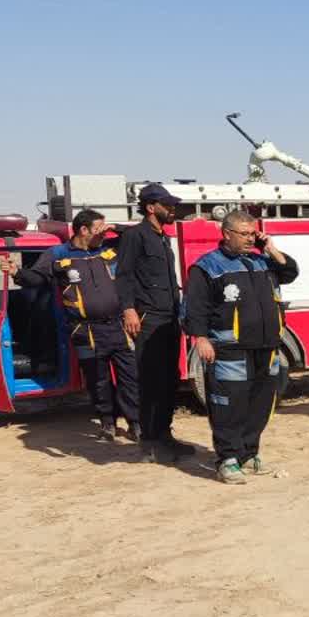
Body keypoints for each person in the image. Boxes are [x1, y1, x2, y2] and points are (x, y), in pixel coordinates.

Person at [183, 210, 301, 482]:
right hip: (229, 350)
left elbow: (290, 271)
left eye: (253, 233)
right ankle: (228, 459)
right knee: (229, 406)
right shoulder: (208, 267)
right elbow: (195, 307)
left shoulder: (262, 262)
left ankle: (249, 454)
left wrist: (270, 248)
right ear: (227, 234)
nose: (250, 239)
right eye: (244, 234)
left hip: (266, 348)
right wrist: (200, 338)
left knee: (259, 405)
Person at [9, 208, 139, 439]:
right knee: (98, 380)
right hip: (86, 331)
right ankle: (107, 422)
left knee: (130, 377)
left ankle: (136, 423)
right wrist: (17, 273)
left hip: (118, 327)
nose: (103, 233)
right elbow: (37, 278)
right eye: (99, 228)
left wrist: (113, 228)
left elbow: (136, 235)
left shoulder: (108, 249)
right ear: (83, 230)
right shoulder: (58, 254)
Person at [115, 183, 196, 464]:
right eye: (167, 205)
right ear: (151, 207)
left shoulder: (163, 237)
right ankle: (149, 442)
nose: (173, 209)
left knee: (169, 379)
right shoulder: (134, 236)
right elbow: (124, 276)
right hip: (148, 318)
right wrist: (128, 310)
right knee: (151, 381)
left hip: (169, 317)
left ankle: (164, 435)